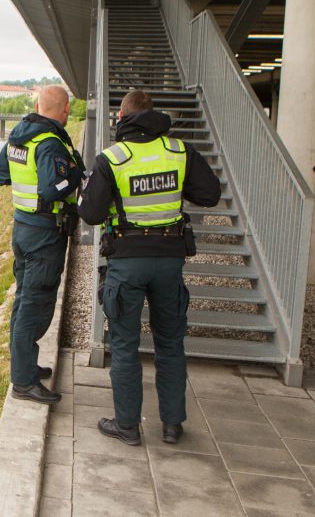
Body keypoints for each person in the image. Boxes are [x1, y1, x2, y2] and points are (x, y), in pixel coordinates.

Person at [78, 89, 221, 445]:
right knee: (170, 343)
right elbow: (210, 194)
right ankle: (172, 424)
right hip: (169, 261)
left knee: (125, 345)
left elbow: (90, 214)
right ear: (153, 115)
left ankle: (127, 426)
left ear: (122, 118)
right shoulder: (179, 152)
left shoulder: (113, 158)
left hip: (127, 261)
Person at [0, 85, 84, 405]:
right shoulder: (50, 143)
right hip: (45, 233)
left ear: (36, 104)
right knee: (35, 305)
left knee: (24, 301)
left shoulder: (19, 137)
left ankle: (26, 366)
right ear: (65, 111)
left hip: (22, 228)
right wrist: (75, 172)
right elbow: (53, 188)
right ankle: (23, 381)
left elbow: (1, 175)